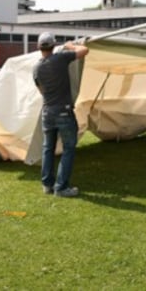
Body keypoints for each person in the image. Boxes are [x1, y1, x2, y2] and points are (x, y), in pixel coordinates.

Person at [33, 32, 89, 198]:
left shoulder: (36, 67)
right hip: (64, 111)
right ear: (53, 45)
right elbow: (85, 50)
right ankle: (61, 187)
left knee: (48, 149)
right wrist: (71, 45)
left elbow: (41, 91)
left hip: (47, 112)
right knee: (69, 148)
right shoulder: (60, 58)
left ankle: (47, 185)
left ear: (38, 47)